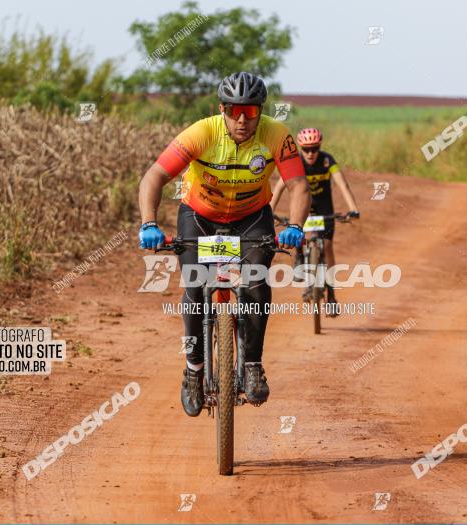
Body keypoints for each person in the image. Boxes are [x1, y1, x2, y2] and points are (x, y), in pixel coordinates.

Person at [138, 72, 311, 417]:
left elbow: (298, 186)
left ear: (261, 110)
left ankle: (252, 365)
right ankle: (193, 371)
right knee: (195, 287)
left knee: (256, 284)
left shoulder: (276, 135)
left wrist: (294, 225)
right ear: (222, 109)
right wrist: (149, 223)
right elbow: (155, 176)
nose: (243, 120)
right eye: (234, 111)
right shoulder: (202, 132)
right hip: (199, 216)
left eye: (251, 111)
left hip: (251, 217)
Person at [270, 128, 359, 314]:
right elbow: (279, 188)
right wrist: (268, 211)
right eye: (306, 149)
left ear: (320, 147)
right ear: (301, 149)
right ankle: (299, 258)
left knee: (327, 247)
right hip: (304, 208)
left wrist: (353, 208)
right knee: (297, 230)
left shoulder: (327, 161)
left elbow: (342, 184)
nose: (311, 153)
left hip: (324, 209)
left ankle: (332, 293)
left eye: (314, 148)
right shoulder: (296, 162)